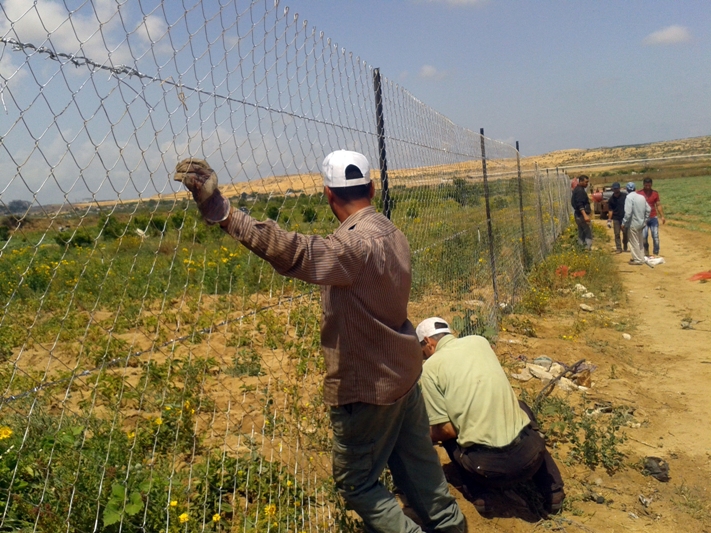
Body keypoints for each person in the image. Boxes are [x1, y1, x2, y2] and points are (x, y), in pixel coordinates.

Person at [174, 152, 465, 533]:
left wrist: (223, 212)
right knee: (419, 465)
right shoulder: (391, 232)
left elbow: (296, 251)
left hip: (368, 387)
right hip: (405, 374)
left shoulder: (353, 247)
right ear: (372, 188)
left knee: (357, 484)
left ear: (328, 194)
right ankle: (450, 525)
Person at [416, 317, 565, 515]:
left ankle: (482, 495)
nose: (424, 357)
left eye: (422, 351)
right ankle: (553, 491)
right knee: (520, 407)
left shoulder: (430, 368)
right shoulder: (480, 342)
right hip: (531, 458)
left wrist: (423, 434)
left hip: (488, 471)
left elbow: (446, 430)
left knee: (448, 435)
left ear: (428, 342)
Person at [621, 182, 651, 266]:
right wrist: (645, 219)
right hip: (641, 223)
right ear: (635, 189)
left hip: (633, 223)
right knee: (640, 241)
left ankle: (637, 259)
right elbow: (648, 209)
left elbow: (628, 213)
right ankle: (641, 258)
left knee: (633, 242)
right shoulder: (641, 197)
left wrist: (623, 223)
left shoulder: (629, 197)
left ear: (627, 189)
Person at [640, 177, 666, 257]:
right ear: (643, 184)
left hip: (653, 217)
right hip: (643, 218)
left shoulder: (655, 193)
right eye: (646, 185)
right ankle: (646, 251)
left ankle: (656, 252)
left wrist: (662, 216)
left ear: (651, 184)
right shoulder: (639, 193)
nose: (648, 186)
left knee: (655, 236)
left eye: (649, 185)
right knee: (644, 236)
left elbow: (658, 205)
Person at [571, 175, 592, 250]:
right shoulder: (580, 191)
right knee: (587, 232)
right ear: (581, 181)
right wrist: (585, 215)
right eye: (586, 182)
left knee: (581, 232)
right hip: (581, 215)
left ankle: (580, 248)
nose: (587, 184)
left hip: (578, 215)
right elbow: (580, 204)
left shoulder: (577, 189)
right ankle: (587, 248)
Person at [606, 182, 628, 253]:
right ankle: (619, 248)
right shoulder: (611, 199)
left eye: (617, 188)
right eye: (614, 189)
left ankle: (625, 245)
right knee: (617, 233)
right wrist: (609, 220)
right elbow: (610, 210)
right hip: (616, 218)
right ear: (613, 189)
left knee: (625, 233)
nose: (616, 190)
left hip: (624, 218)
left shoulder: (625, 196)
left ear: (619, 188)